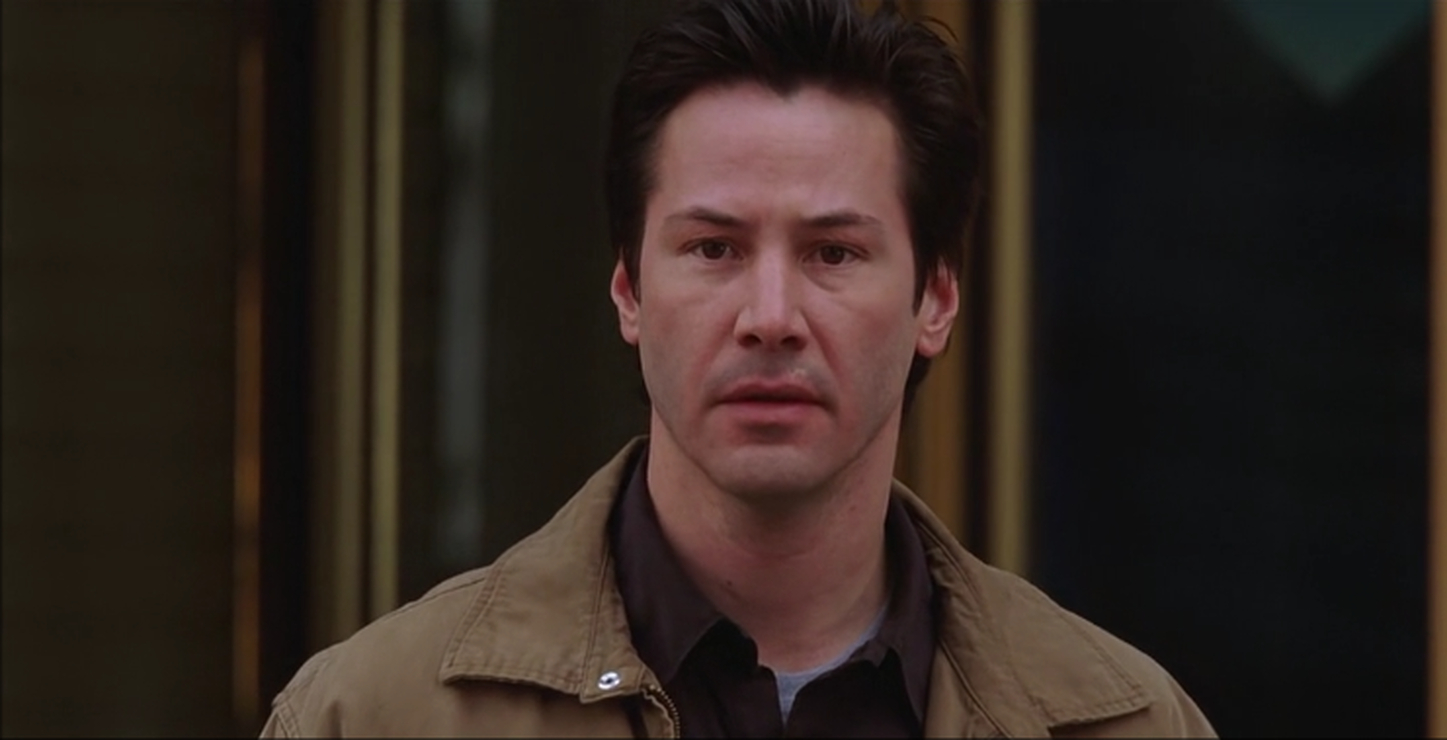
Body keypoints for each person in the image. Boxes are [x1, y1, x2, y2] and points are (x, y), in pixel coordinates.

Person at [261, 0, 1215, 736]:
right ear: (629, 292)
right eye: (713, 249)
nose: (770, 319)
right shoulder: (374, 715)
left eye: (833, 253)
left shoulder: (1125, 723)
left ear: (935, 299)